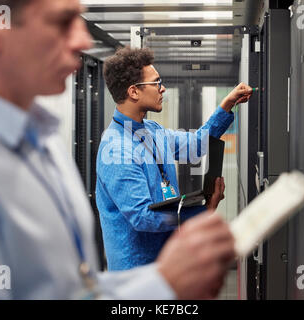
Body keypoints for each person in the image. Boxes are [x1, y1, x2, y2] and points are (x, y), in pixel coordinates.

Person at [0, 0, 236, 300]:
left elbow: (75, 289)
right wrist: (167, 275)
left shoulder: (45, 140)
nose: (83, 40)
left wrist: (168, 280)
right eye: (63, 21)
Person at [96, 47, 253, 271]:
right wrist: (203, 211)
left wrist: (227, 104)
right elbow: (143, 217)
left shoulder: (152, 130)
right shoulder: (116, 149)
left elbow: (196, 146)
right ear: (134, 92)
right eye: (156, 82)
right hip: (137, 276)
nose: (163, 89)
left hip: (167, 265)